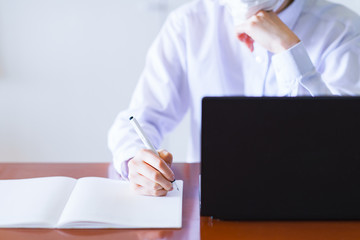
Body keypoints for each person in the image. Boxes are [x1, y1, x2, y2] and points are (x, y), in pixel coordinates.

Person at [108, 0, 360, 196]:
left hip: (312, 201)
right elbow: (139, 118)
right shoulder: (189, 23)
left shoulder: (343, 30)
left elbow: (340, 146)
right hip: (213, 208)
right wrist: (135, 161)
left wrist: (288, 49)